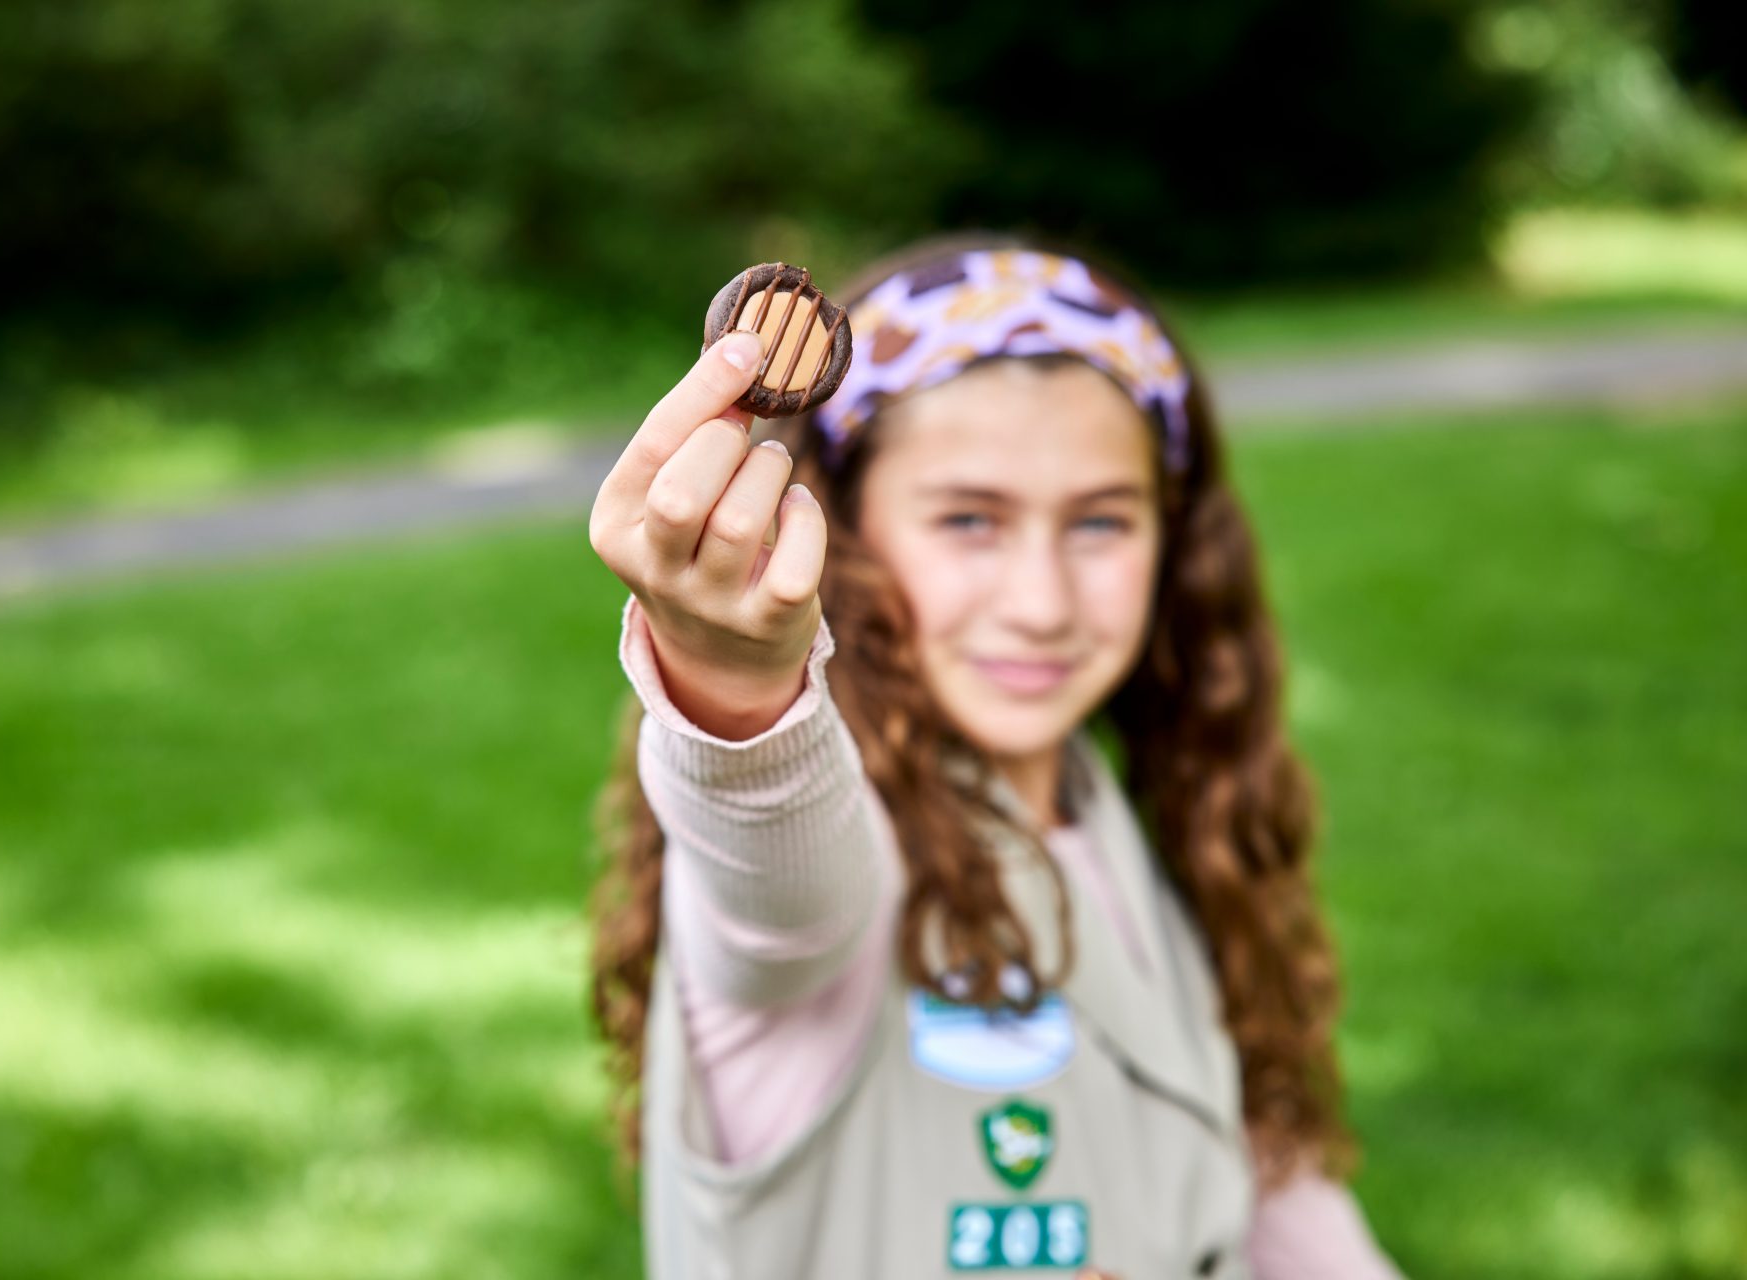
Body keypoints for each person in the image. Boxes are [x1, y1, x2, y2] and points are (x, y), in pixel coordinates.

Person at [586, 229, 1407, 1279]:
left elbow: (1273, 1195)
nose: (1042, 603)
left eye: (1101, 523)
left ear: (1176, 544)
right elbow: (771, 866)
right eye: (970, 518)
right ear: (851, 533)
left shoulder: (1143, 831)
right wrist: (737, 683)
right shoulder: (825, 881)